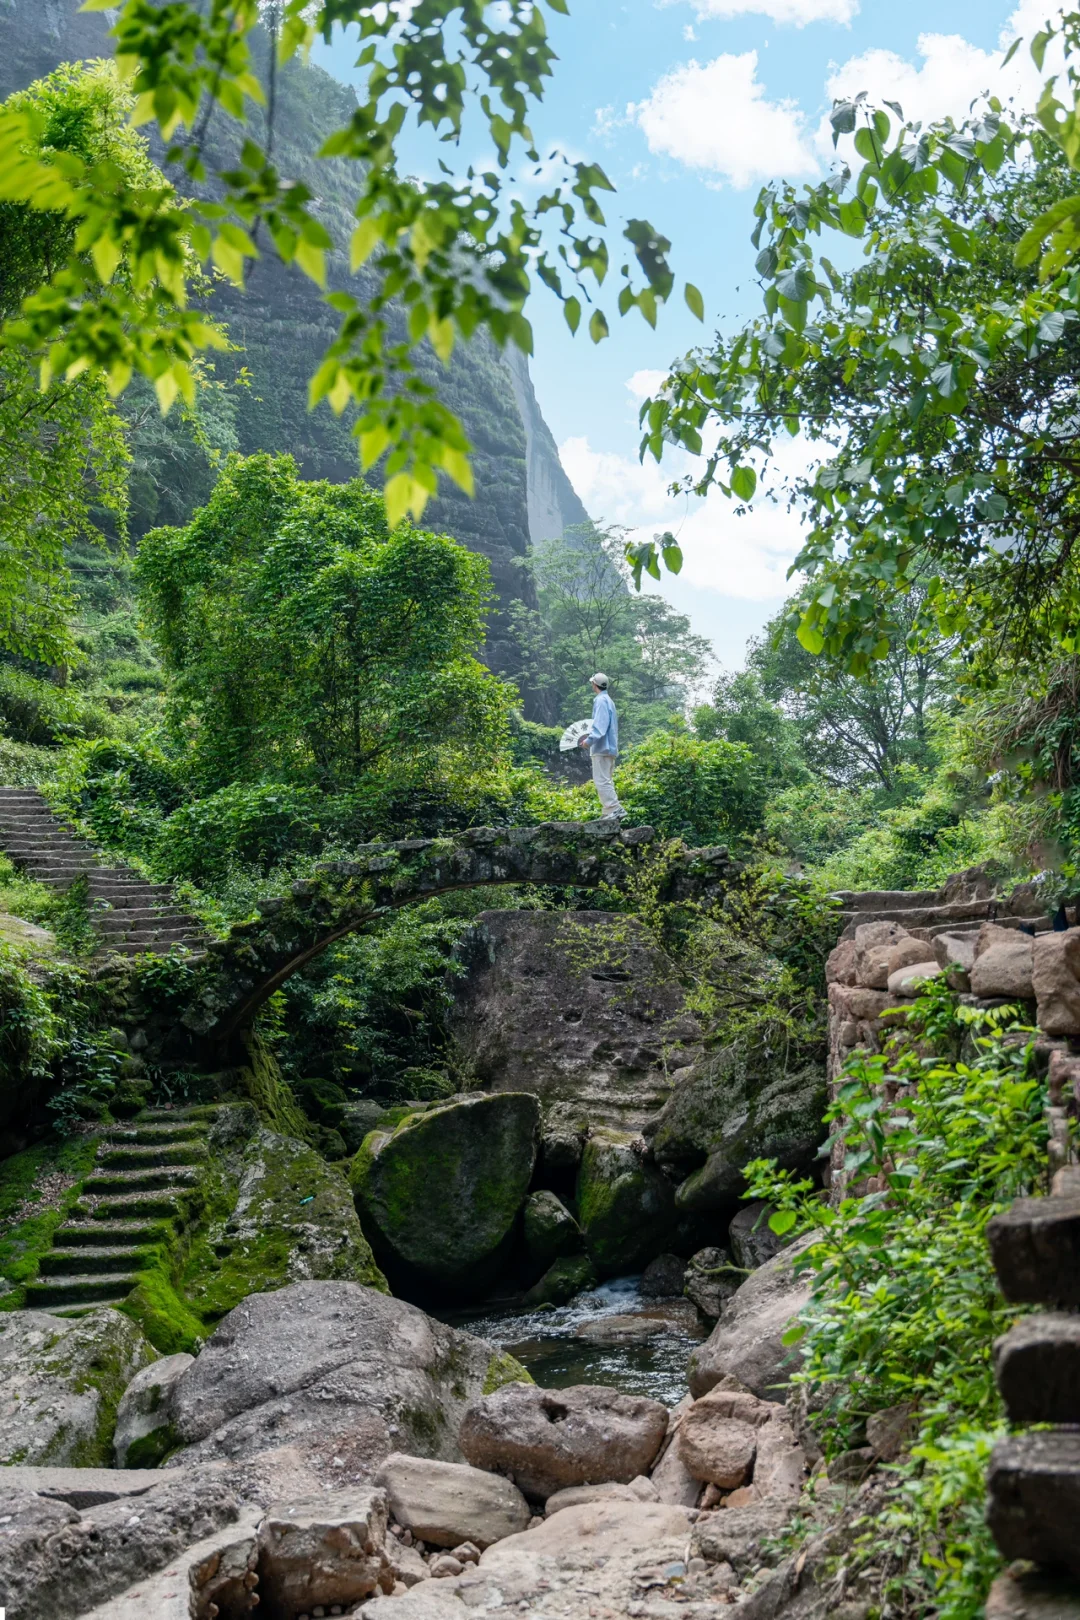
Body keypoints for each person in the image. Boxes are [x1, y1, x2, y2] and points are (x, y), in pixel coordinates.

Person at [578, 672, 625, 820]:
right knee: (606, 780)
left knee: (601, 780)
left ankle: (615, 808)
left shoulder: (601, 701)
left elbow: (600, 726)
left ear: (594, 684)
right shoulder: (609, 700)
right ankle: (608, 812)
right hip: (609, 747)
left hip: (602, 748)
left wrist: (589, 741)